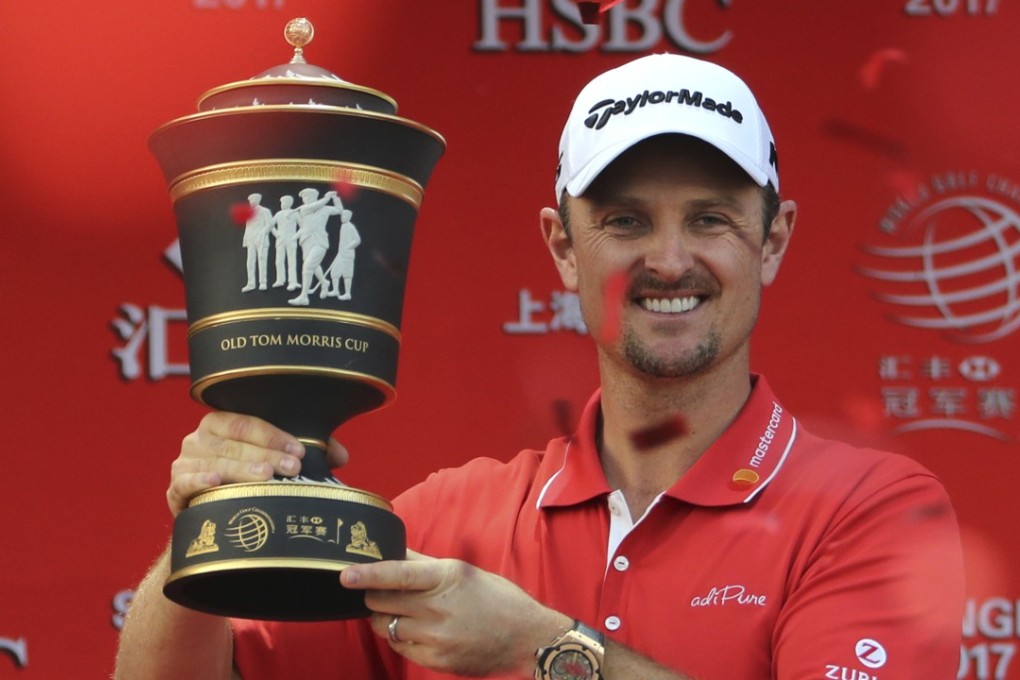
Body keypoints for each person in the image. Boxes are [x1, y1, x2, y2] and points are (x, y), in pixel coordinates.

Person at [115, 54, 965, 679]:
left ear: (773, 241)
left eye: (709, 219)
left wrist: (541, 648)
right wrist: (202, 528)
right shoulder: (442, 524)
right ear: (563, 248)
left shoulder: (873, 514)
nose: (669, 260)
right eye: (626, 222)